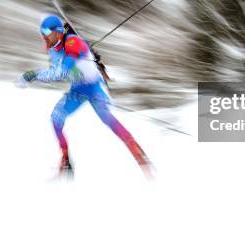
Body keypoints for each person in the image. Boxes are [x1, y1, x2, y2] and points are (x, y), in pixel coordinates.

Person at [16, 14, 152, 178]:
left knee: (107, 119)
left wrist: (32, 75)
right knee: (56, 118)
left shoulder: (73, 42)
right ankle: (66, 162)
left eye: (46, 31)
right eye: (41, 31)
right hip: (78, 89)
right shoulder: (54, 49)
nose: (43, 35)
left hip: (95, 87)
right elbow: (65, 69)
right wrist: (75, 67)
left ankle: (139, 154)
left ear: (58, 32)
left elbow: (59, 72)